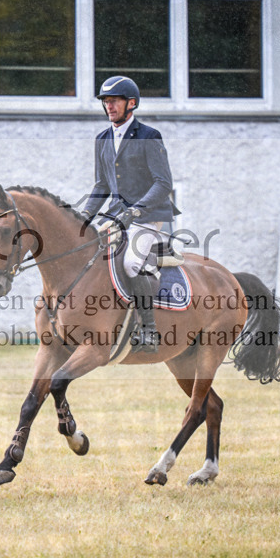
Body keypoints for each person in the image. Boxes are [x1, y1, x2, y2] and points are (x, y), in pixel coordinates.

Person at [80, 76, 176, 353]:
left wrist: (136, 210)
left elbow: (163, 183)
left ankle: (148, 330)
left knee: (132, 264)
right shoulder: (102, 139)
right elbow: (101, 184)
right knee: (88, 255)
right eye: (106, 102)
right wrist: (84, 216)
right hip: (115, 216)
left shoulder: (149, 136)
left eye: (114, 101)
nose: (109, 106)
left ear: (131, 103)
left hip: (149, 217)